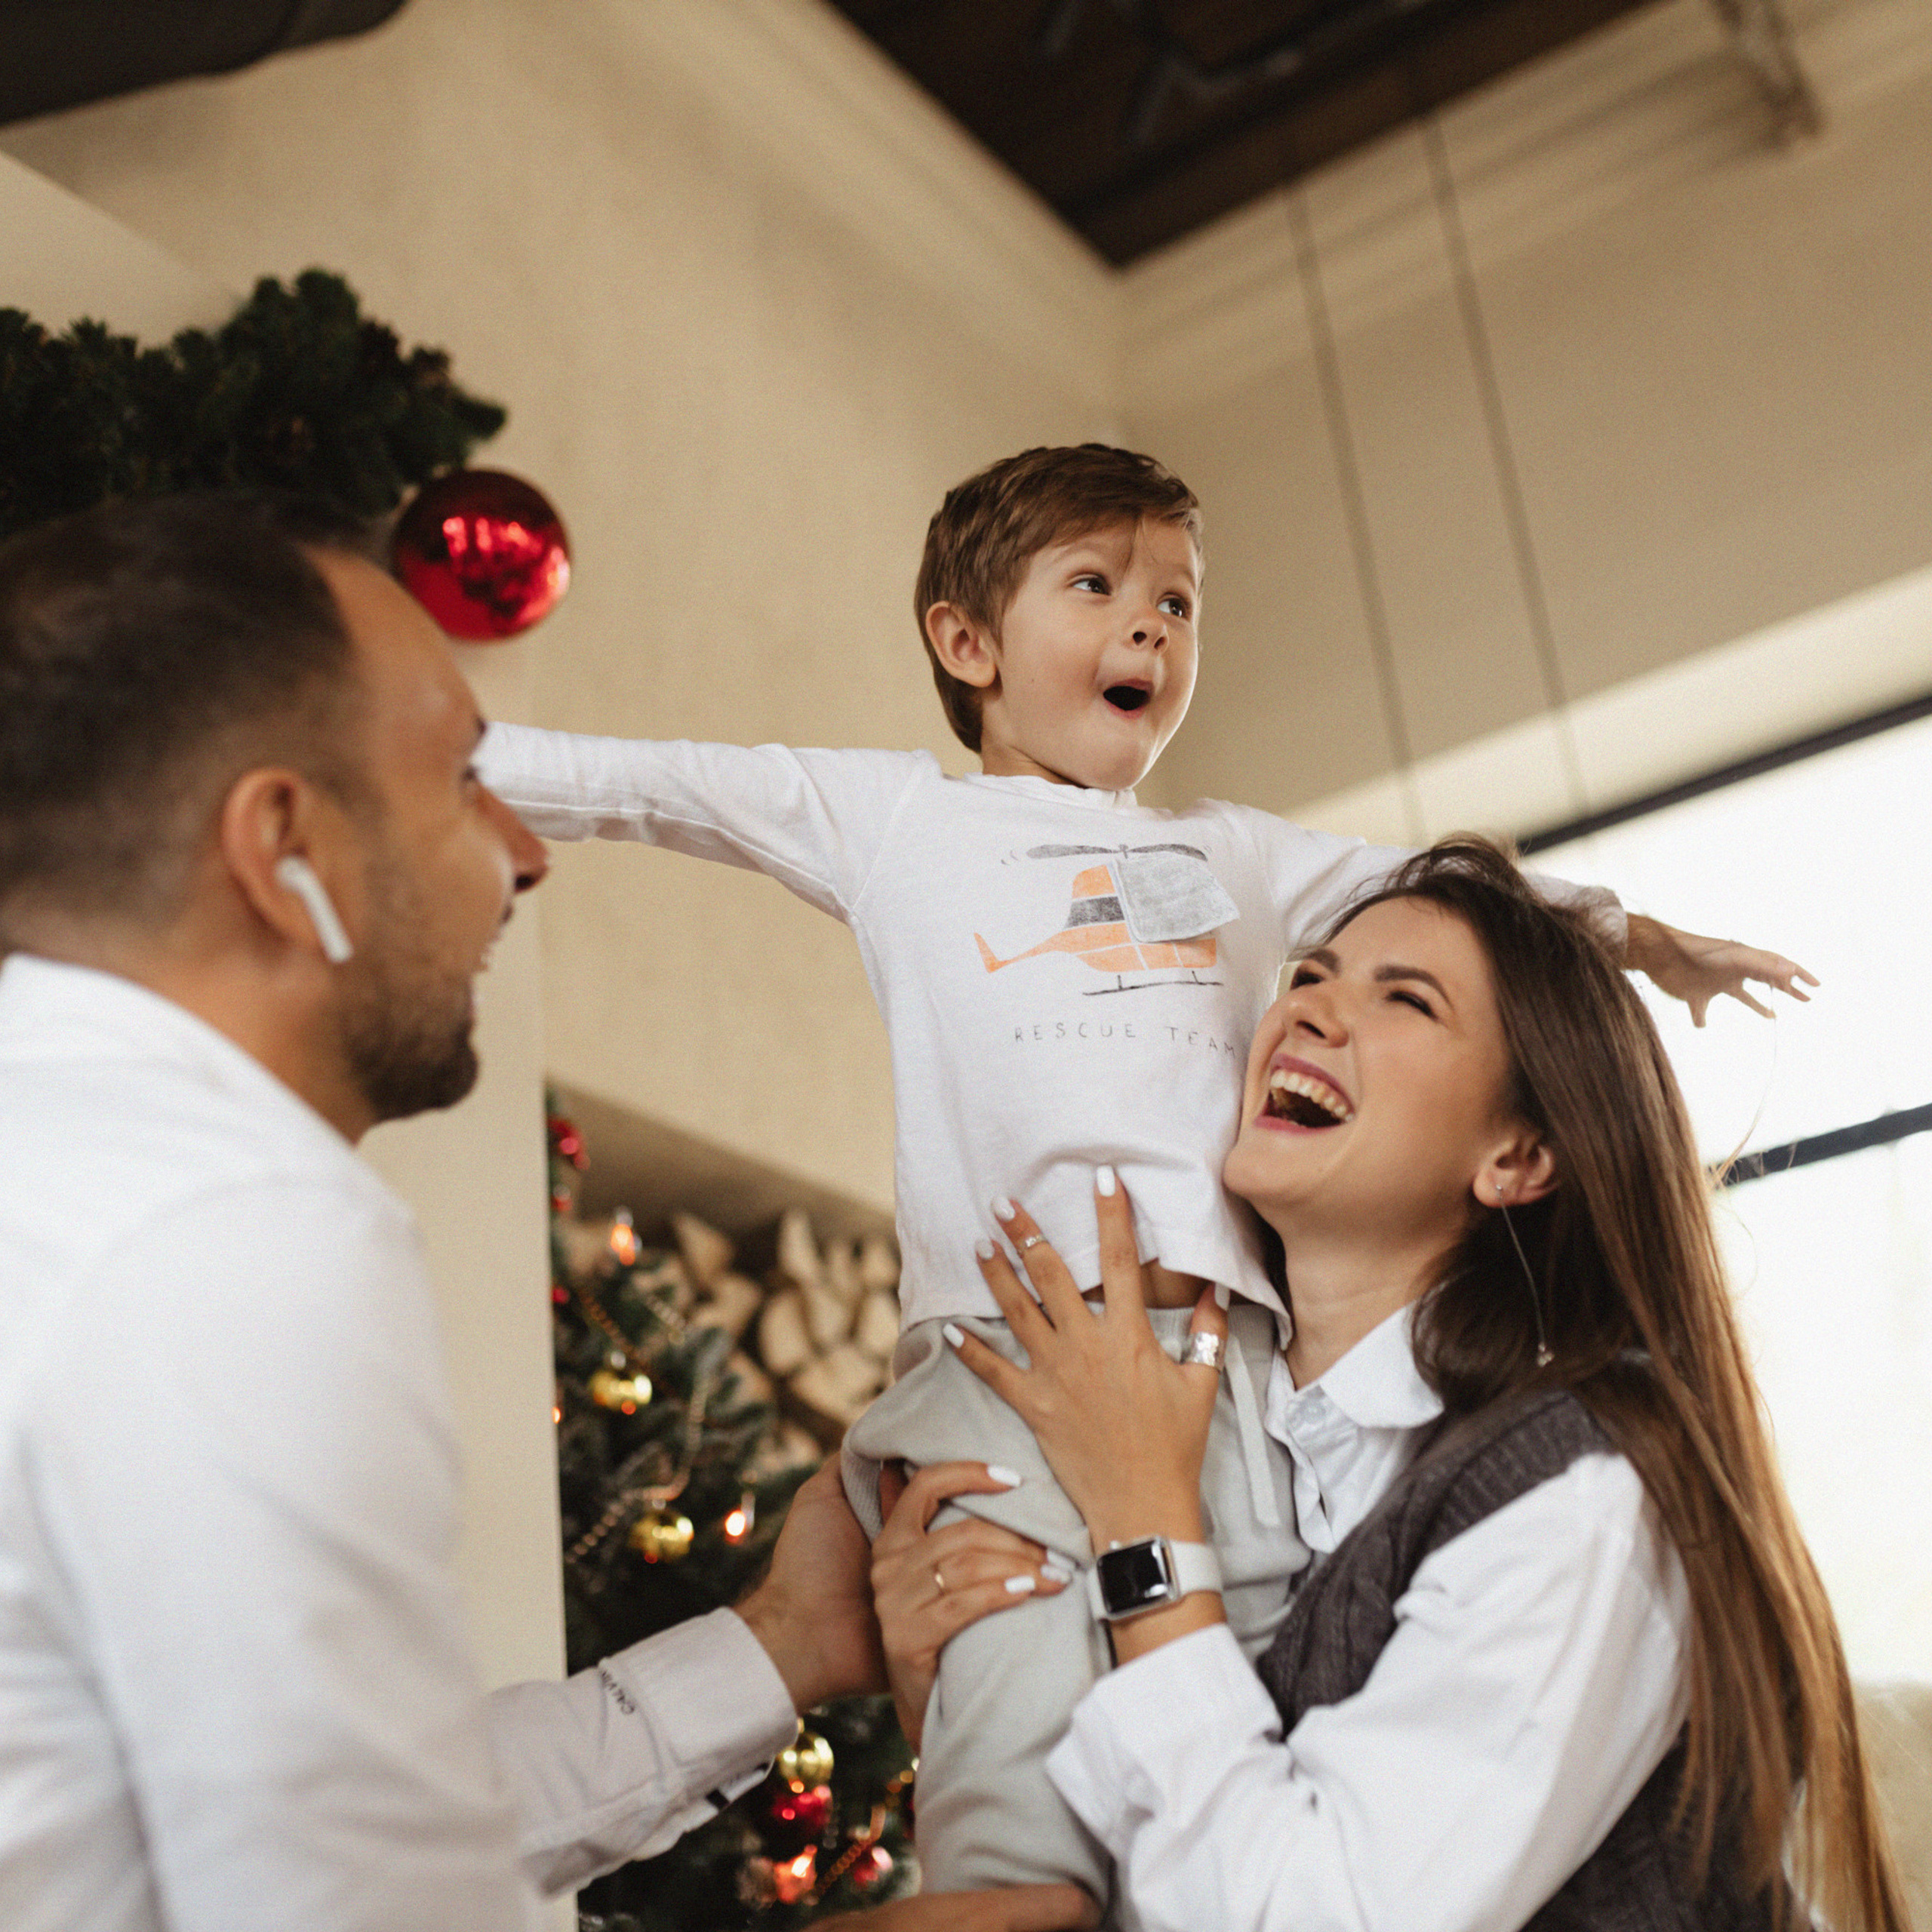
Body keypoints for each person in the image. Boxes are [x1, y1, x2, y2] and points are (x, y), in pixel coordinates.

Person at [477, 443, 1814, 1906]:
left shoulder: (1229, 859)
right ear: (964, 641)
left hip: (1199, 1371)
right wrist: (450, 764)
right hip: (998, 1359)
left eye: (1177, 602)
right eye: (1098, 586)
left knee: (1156, 1727)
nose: (1149, 628)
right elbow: (668, 788)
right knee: (1010, 1839)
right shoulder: (904, 824)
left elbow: (1438, 884)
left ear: (1522, 1152)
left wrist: (1628, 929)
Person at [0, 492, 1094, 1932]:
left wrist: (778, 1646)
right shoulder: (224, 1228)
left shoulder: (78, 1172)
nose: (525, 851)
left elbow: (343, 1803)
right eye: (462, 778)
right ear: (285, 849)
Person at [878, 838, 1907, 1932]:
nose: (1309, 1011)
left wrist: (1141, 1523)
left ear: (1517, 1157)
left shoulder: (1591, 1495)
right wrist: (939, 1684)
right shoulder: (1236, 1461)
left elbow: (1308, 1914)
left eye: (1404, 999)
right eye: (1309, 975)